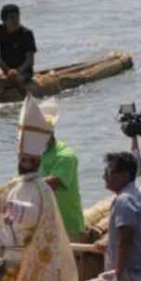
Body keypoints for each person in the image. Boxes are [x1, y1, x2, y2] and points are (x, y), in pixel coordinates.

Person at [0, 96, 79, 281]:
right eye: (22, 159)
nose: (24, 163)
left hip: (30, 253)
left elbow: (33, 214)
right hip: (10, 249)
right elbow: (1, 203)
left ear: (37, 161)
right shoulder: (18, 183)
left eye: (28, 160)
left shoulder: (41, 187)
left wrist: (13, 208)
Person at [72, 152, 141, 281]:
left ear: (124, 175)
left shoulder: (124, 200)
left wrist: (118, 277)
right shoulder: (135, 196)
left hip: (133, 275)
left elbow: (126, 240)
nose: (104, 176)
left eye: (108, 172)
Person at [38, 98, 86, 241]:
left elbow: (51, 184)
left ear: (49, 133)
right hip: (44, 224)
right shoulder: (34, 154)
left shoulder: (65, 155)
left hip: (67, 227)